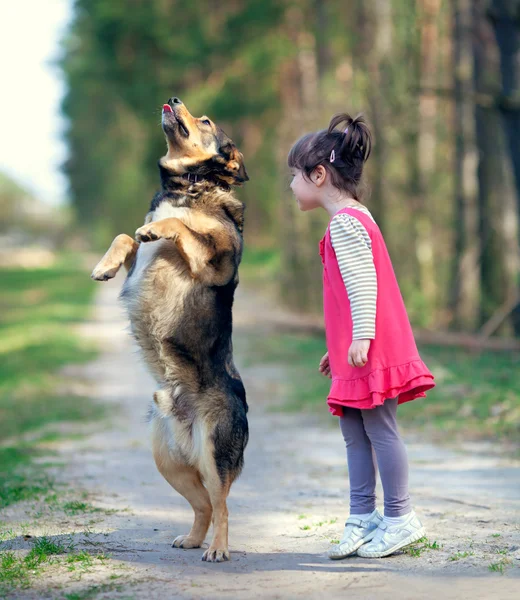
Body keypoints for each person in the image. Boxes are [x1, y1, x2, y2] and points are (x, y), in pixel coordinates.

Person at [287, 113, 436, 559]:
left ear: (319, 175)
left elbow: (363, 286)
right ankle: (362, 515)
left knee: (380, 428)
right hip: (357, 349)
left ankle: (399, 517)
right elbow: (349, 294)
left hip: (371, 347)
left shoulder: (346, 223)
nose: (291, 186)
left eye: (294, 176)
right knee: (354, 430)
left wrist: (361, 338)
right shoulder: (352, 219)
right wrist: (338, 348)